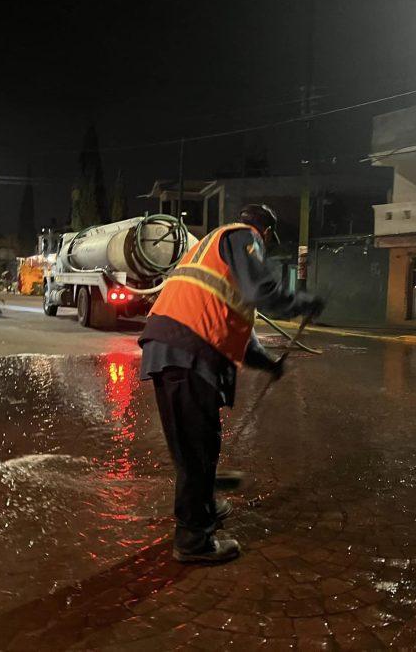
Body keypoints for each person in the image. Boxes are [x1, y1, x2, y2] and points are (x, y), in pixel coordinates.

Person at [139, 203, 324, 563]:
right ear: (265, 232)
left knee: (196, 442)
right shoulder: (244, 238)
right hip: (187, 349)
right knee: (196, 448)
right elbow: (262, 291)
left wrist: (268, 364)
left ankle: (204, 503)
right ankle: (194, 538)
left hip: (173, 346)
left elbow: (239, 323)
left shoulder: (212, 246)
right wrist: (303, 301)